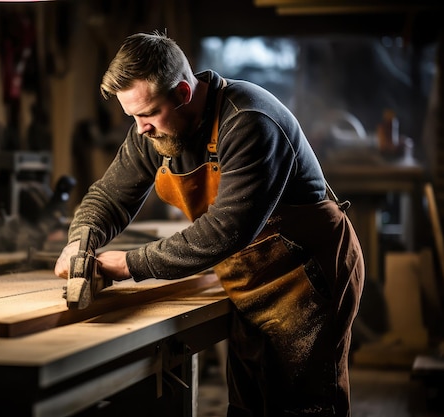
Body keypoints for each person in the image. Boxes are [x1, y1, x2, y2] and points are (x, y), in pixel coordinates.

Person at [55, 31, 364, 417]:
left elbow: (225, 231)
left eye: (148, 114)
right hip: (248, 280)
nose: (140, 129)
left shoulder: (249, 121)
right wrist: (81, 241)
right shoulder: (152, 132)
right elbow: (109, 196)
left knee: (304, 405)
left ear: (184, 93)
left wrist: (129, 264)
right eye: (131, 116)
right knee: (250, 404)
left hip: (307, 276)